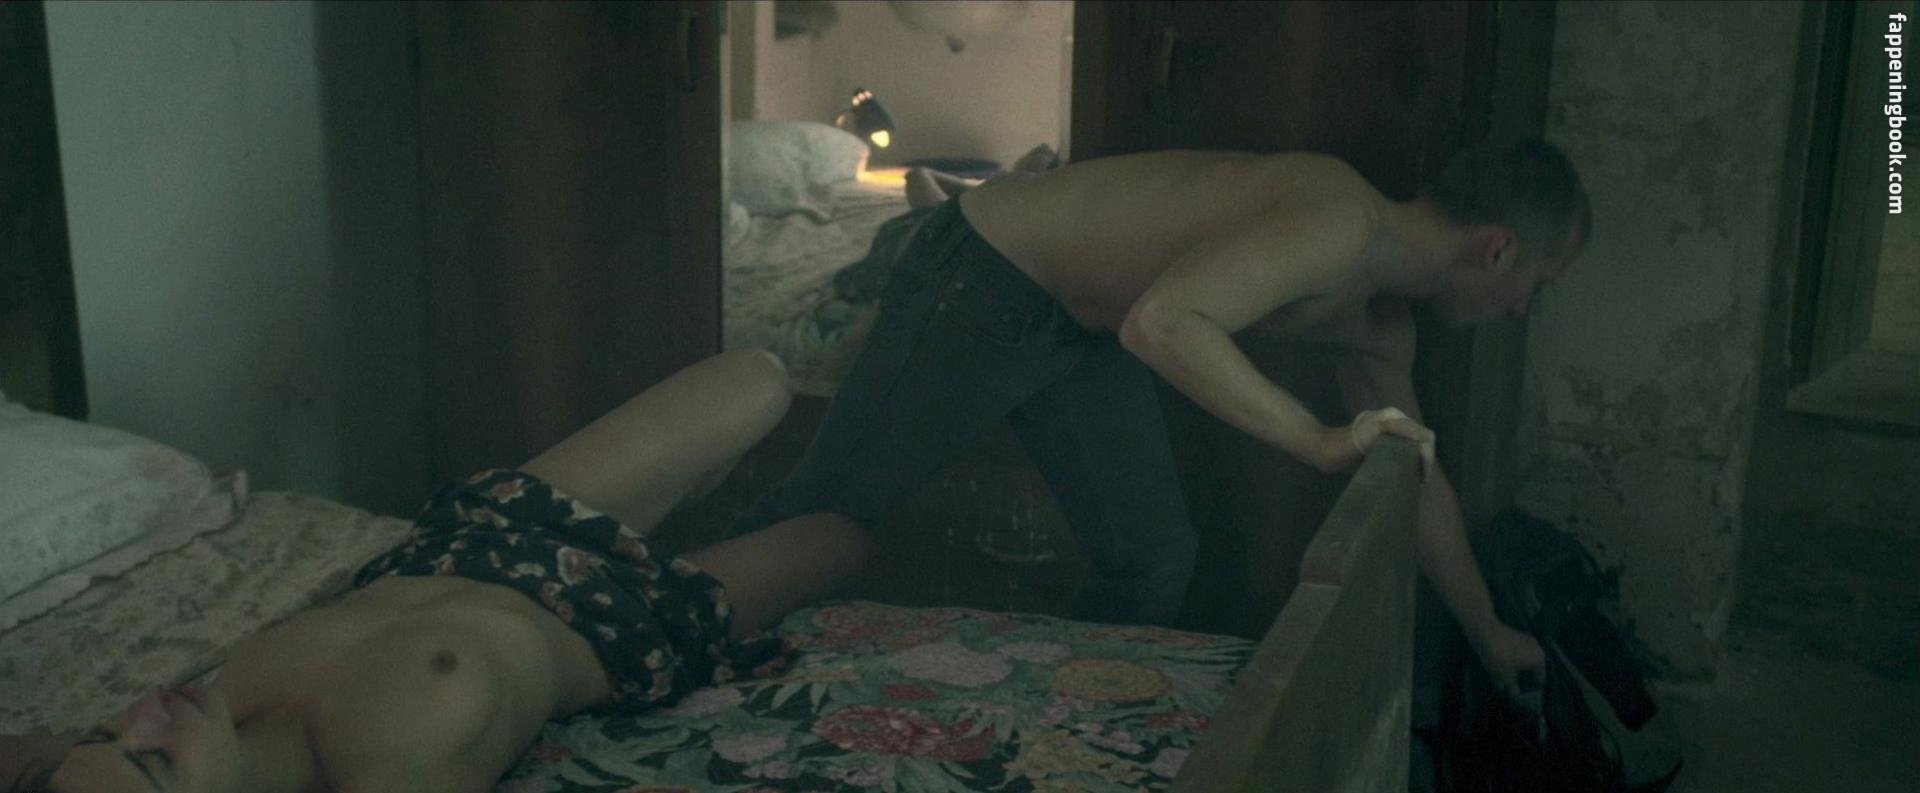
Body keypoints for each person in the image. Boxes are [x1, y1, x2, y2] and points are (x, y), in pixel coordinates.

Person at [731, 138, 1592, 703]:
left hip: (1082, 325)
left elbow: (1416, 473)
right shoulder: (1341, 220)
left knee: (1151, 557)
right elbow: (1164, 323)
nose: (1522, 309)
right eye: (1539, 287)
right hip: (987, 272)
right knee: (827, 517)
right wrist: (1318, 439)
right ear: (1498, 250)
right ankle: (685, 630)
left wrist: (1487, 629)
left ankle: (1065, 732)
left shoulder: (1380, 325)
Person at [4, 349, 872, 793]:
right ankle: (721, 523)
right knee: (845, 534)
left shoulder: (171, 739)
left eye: (110, 733)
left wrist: (105, 756)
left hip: (477, 536)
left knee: (759, 377)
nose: (145, 714)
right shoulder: (385, 767)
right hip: (619, 619)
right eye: (154, 762)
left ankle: (694, 496)